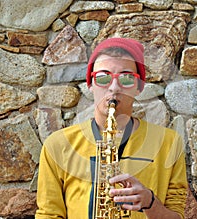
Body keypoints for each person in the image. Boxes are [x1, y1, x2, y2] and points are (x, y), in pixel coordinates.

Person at [35, 38, 188, 219]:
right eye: (103, 77)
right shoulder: (58, 145)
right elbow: (48, 214)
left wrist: (150, 202)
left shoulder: (169, 142)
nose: (114, 88)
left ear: (139, 87)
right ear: (90, 84)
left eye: (126, 78)